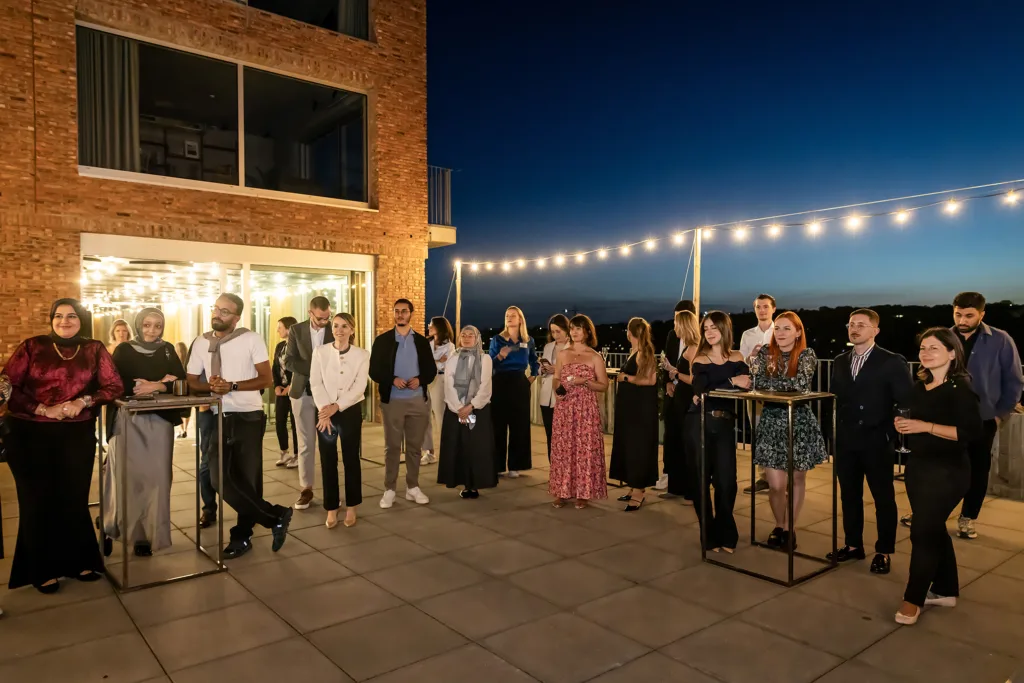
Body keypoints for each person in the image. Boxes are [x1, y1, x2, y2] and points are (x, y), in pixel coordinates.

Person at [3, 298, 123, 593]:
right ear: (51, 318)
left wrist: (84, 400)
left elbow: (114, 385)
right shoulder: (33, 346)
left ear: (82, 319)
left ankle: (78, 561)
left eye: (71, 316)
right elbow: (7, 386)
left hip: (75, 434)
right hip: (29, 433)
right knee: (37, 502)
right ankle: (40, 568)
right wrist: (43, 409)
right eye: (58, 315)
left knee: (72, 498)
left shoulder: (94, 348)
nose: (64, 321)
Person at [186, 293, 292, 559]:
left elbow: (266, 379)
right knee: (217, 476)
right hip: (216, 414)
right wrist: (211, 387)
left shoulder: (251, 338)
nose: (217, 314)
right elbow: (191, 381)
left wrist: (231, 386)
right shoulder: (201, 342)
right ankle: (275, 516)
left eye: (225, 311)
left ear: (236, 317)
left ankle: (242, 537)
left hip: (247, 415)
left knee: (248, 479)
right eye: (216, 309)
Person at [893, 328, 982, 625]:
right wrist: (903, 423)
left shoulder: (961, 389)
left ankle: (913, 599)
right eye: (922, 348)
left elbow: (969, 433)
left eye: (934, 348)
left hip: (948, 472)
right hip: (919, 468)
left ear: (952, 353)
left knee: (922, 532)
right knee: (932, 529)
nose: (926, 353)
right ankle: (945, 590)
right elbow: (913, 418)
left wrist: (924, 426)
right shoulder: (921, 386)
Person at [828, 309, 913, 575]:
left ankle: (884, 551)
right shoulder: (840, 361)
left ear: (875, 330)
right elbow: (835, 400)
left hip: (876, 440)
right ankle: (853, 545)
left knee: (883, 498)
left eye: (861, 325)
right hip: (846, 440)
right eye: (851, 324)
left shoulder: (891, 361)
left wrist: (890, 431)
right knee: (849, 495)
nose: (854, 329)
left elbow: (906, 401)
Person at [108, 308, 187, 556]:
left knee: (159, 480)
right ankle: (129, 532)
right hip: (129, 421)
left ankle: (151, 532)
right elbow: (119, 384)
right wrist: (163, 383)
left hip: (161, 422)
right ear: (138, 325)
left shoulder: (167, 349)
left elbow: (181, 382)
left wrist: (157, 385)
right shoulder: (124, 350)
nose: (152, 330)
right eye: (147, 325)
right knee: (129, 480)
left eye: (158, 326)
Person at [747, 312, 826, 551]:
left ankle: (789, 528)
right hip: (771, 422)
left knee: (797, 479)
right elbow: (755, 381)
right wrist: (774, 385)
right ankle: (779, 524)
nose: (780, 333)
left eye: (786, 329)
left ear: (798, 332)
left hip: (798, 421)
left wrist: (767, 384)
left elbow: (801, 385)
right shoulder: (763, 353)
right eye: (778, 328)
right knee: (776, 485)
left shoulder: (806, 354)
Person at [949, 292, 1022, 539]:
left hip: (983, 418)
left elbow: (1014, 381)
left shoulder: (1001, 340)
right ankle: (931, 511)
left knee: (978, 470)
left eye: (969, 315)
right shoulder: (944, 337)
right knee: (941, 468)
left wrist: (1000, 414)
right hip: (946, 417)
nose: (962, 319)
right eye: (958, 314)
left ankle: (968, 518)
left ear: (982, 314)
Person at [688, 311, 749, 553]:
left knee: (727, 482)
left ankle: (726, 532)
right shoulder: (699, 359)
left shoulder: (737, 357)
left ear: (725, 329)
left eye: (714, 327)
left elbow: (749, 382)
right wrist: (732, 383)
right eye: (706, 328)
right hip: (698, 423)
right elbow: (703, 392)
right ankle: (708, 535)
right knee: (701, 482)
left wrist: (724, 386)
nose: (709, 332)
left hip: (724, 425)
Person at [368, 298, 437, 508]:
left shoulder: (422, 342)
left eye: (404, 311)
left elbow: (431, 371)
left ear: (411, 314)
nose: (400, 314)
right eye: (397, 311)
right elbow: (374, 371)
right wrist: (392, 380)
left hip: (418, 402)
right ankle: (389, 490)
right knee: (392, 447)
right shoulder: (383, 341)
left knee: (415, 448)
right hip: (393, 403)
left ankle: (412, 487)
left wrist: (420, 379)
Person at [310, 313, 369, 529]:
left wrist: (337, 406)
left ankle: (352, 506)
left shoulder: (362, 355)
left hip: (349, 411)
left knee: (351, 458)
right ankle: (331, 507)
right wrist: (325, 409)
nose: (339, 330)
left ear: (352, 330)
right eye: (335, 326)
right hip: (325, 412)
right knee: (328, 460)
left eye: (344, 326)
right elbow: (315, 382)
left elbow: (359, 386)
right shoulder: (320, 352)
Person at [549, 314, 609, 509]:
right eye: (572, 328)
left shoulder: (594, 356)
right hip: (565, 408)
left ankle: (583, 492)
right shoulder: (563, 354)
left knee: (584, 450)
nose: (574, 332)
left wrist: (586, 382)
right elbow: (556, 378)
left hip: (585, 410)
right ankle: (562, 491)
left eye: (578, 328)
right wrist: (557, 392)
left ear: (587, 331)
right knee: (563, 449)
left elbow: (604, 385)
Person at [437, 325, 499, 498]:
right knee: (459, 446)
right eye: (463, 335)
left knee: (475, 447)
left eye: (470, 335)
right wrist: (458, 408)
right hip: (456, 410)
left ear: (477, 338)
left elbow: (485, 386)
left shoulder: (485, 358)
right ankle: (463, 484)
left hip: (476, 410)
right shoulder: (452, 358)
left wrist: (470, 407)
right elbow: (448, 385)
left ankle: (475, 484)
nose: (466, 338)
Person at [285, 296, 333, 511]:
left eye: (327, 317)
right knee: (305, 443)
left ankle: (332, 492)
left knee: (328, 442)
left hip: (328, 395)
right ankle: (306, 489)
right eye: (320, 318)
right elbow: (289, 360)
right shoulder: (296, 330)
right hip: (302, 392)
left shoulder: (335, 328)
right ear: (310, 313)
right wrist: (315, 369)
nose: (324, 322)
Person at [610, 317, 659, 511]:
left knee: (638, 448)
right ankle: (633, 487)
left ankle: (639, 491)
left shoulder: (644, 352)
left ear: (630, 333)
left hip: (640, 411)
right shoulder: (636, 352)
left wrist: (625, 377)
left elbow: (649, 380)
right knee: (630, 447)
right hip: (631, 409)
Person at [489, 306, 539, 478]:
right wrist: (500, 356)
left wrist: (532, 377)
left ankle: (516, 465)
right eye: (507, 316)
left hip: (519, 383)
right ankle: (497, 465)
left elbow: (534, 361)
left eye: (513, 316)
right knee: (498, 425)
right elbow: (490, 364)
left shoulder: (528, 340)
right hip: (500, 382)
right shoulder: (497, 339)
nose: (509, 318)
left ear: (520, 319)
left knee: (520, 426)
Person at [660, 310, 699, 502]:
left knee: (687, 446)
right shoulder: (683, 347)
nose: (674, 326)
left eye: (676, 323)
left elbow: (696, 379)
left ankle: (691, 490)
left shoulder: (694, 348)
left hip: (688, 402)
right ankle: (676, 487)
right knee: (675, 443)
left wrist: (674, 373)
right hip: (678, 400)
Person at [740, 293, 777, 494]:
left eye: (765, 306)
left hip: (778, 390)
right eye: (758, 307)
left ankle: (782, 478)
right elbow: (742, 363)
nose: (761, 310)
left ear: (773, 309)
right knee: (758, 433)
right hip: (755, 389)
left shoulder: (780, 331)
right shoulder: (747, 335)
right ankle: (763, 477)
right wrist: (751, 357)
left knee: (779, 434)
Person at [421, 316, 455, 465]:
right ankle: (429, 452)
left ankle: (447, 452)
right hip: (425, 382)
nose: (429, 326)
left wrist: (433, 363)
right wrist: (437, 361)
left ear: (439, 327)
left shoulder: (450, 347)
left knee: (440, 417)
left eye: (431, 324)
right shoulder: (427, 344)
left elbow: (446, 366)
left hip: (440, 381)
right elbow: (421, 362)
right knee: (424, 418)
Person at [538, 314, 571, 459]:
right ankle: (554, 468)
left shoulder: (573, 347)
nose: (555, 335)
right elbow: (541, 370)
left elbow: (574, 371)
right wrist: (543, 369)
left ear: (566, 330)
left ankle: (565, 466)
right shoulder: (548, 346)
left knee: (565, 434)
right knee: (550, 433)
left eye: (558, 331)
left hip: (564, 395)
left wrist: (556, 370)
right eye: (553, 332)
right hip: (546, 397)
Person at [272, 316, 298, 465]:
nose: (277, 330)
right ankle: (284, 453)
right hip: (281, 390)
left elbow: (299, 369)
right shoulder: (280, 346)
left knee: (295, 424)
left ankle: (297, 455)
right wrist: (276, 385)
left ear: (289, 329)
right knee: (279, 422)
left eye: (280, 327)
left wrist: (291, 386)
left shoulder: (298, 347)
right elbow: (274, 367)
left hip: (294, 391)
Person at [175, 341, 191, 438]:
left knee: (180, 411)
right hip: (188, 388)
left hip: (179, 388)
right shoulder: (189, 361)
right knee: (187, 411)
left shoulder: (176, 362)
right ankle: (185, 429)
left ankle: (182, 430)